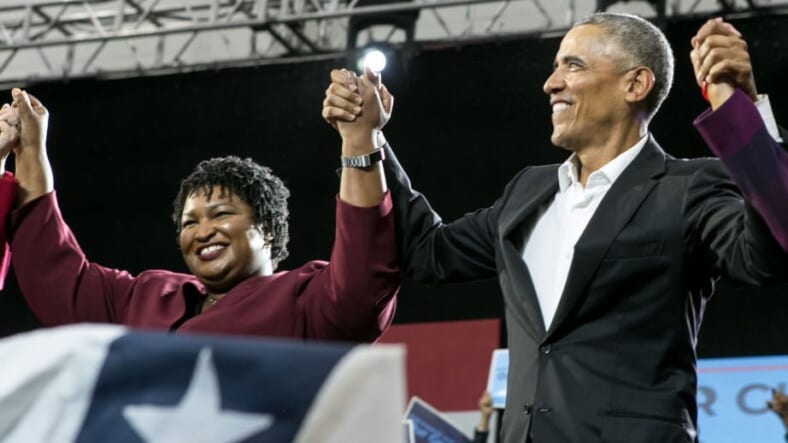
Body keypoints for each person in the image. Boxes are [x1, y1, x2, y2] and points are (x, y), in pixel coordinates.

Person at [323, 13, 788, 443]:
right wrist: (367, 138)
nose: (551, 83)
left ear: (635, 84)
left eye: (574, 66)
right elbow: (428, 252)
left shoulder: (688, 187)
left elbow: (770, 250)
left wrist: (742, 110)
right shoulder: (528, 191)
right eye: (554, 66)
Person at [0, 82, 399, 342]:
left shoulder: (303, 300)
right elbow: (53, 274)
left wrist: (358, 140)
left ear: (266, 229)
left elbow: (363, 271)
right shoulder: (144, 296)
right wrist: (31, 150)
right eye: (190, 222)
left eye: (221, 214)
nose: (202, 230)